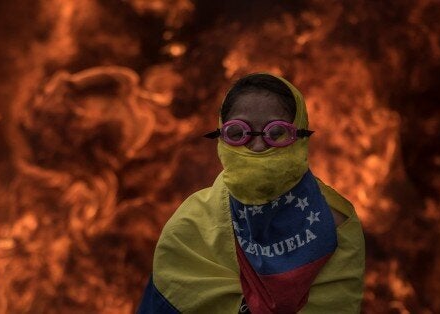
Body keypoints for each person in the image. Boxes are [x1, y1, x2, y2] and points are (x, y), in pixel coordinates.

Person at [137, 73, 365, 313]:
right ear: (221, 138)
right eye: (238, 134)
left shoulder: (337, 223)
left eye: (276, 133)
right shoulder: (190, 224)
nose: (257, 146)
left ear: (300, 134)